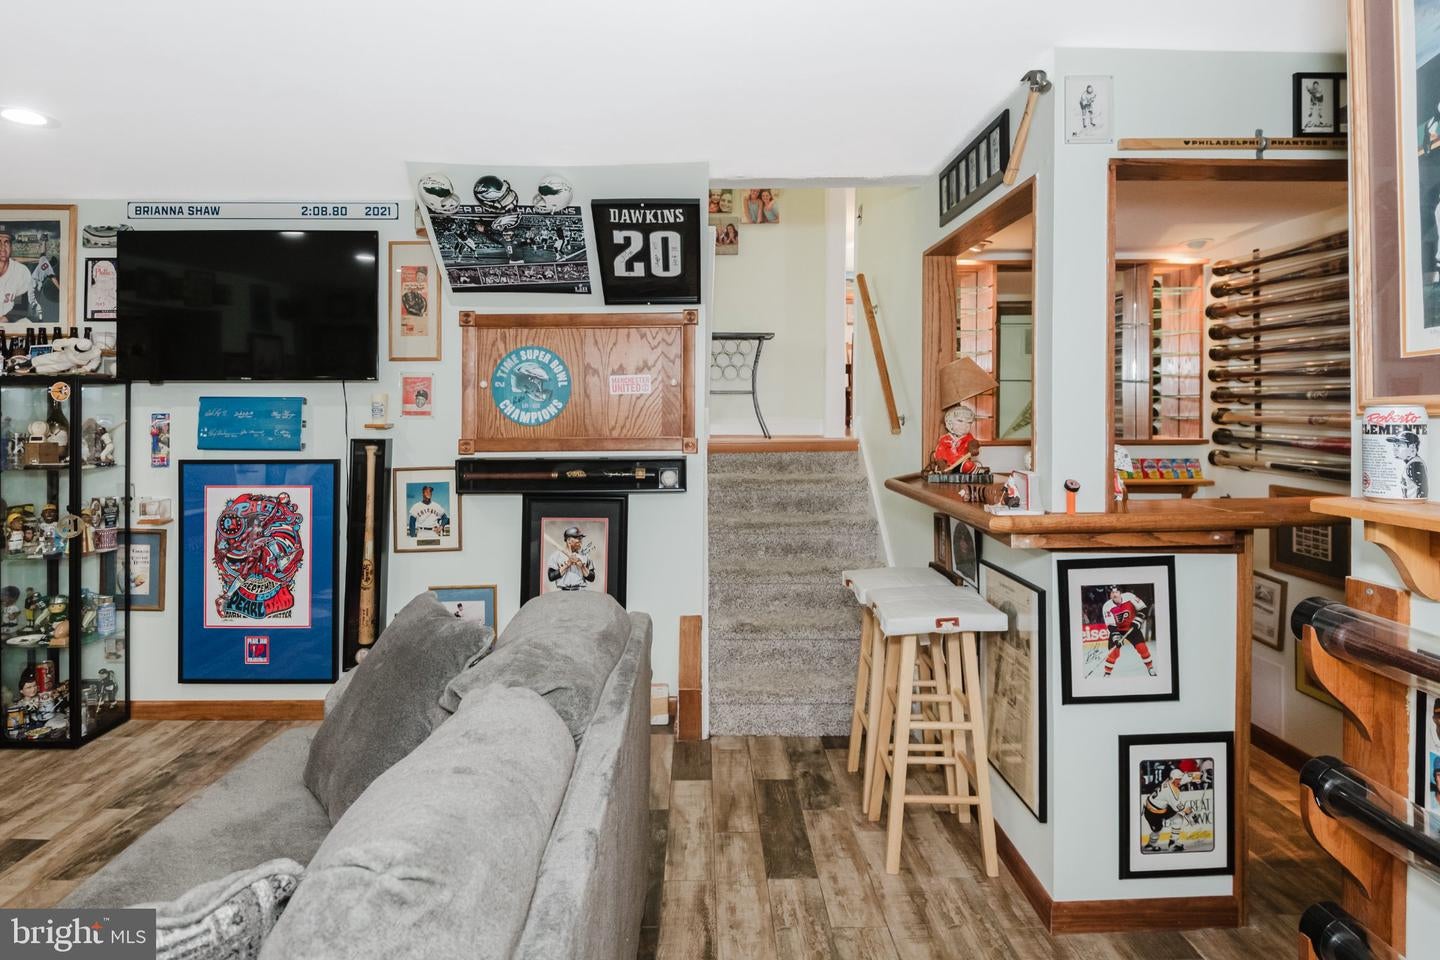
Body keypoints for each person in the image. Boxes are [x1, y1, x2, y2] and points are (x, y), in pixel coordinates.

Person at [1102, 585, 1158, 678]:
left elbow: (1143, 608)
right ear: (1110, 595)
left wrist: (1137, 621)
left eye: (1116, 592)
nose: (1114, 594)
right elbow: (1111, 625)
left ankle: (1150, 667)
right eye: (1112, 593)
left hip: (1132, 628)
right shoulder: (1107, 606)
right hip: (1117, 630)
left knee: (1142, 648)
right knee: (1113, 652)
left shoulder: (1129, 596)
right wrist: (1116, 637)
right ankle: (1107, 673)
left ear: (1120, 593)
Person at [1141, 767, 1198, 853]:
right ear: (1173, 779)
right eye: (1178, 779)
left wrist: (1202, 775)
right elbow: (1180, 808)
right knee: (1157, 829)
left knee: (1178, 819)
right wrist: (1191, 816)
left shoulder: (1172, 781)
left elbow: (1187, 776)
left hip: (1161, 807)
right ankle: (1150, 845)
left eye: (1180, 779)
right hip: (1151, 812)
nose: (1180, 781)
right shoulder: (1170, 792)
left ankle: (1173, 843)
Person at [546, 526, 596, 591]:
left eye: (581, 539)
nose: (580, 542)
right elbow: (551, 577)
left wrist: (582, 566)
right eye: (578, 539)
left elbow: (592, 578)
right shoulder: (556, 556)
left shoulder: (585, 556)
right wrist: (567, 565)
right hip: (563, 592)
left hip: (580, 591)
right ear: (569, 540)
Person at [0, 228, 33, 322]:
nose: (2, 247)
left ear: (11, 247)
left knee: (26, 322)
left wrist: (4, 319)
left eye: (6, 242)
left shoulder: (21, 271)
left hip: (11, 320)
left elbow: (21, 307)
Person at [1386, 431, 1428, 499]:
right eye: (1394, 445)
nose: (1395, 449)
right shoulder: (1413, 462)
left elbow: (1422, 491)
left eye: (1399, 445)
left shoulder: (1415, 464)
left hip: (1413, 504)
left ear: (1412, 448)